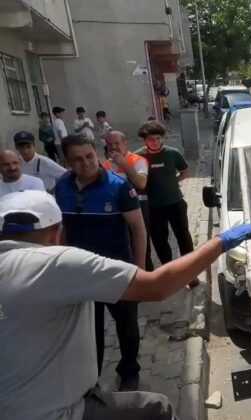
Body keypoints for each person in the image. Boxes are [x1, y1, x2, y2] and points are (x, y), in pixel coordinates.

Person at [0, 190, 251, 419]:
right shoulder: (54, 263)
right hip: (52, 412)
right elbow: (157, 286)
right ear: (57, 231)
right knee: (156, 409)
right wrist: (221, 242)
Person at [55, 134, 147, 391]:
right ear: (66, 162)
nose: (86, 163)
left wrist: (140, 271)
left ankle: (129, 371)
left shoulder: (119, 187)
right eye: (78, 159)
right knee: (87, 330)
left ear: (96, 153)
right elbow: (60, 228)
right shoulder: (61, 187)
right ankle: (90, 379)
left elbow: (138, 230)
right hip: (79, 274)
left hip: (118, 272)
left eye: (90, 156)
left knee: (126, 324)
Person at [135, 121, 199, 288]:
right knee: (159, 241)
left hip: (175, 203)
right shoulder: (139, 157)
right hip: (153, 207)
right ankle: (168, 274)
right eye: (151, 139)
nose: (155, 142)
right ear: (144, 141)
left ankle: (190, 274)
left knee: (183, 237)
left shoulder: (172, 153)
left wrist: (174, 182)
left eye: (158, 138)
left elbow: (185, 171)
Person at [103, 131, 154, 271]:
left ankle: (147, 280)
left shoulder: (137, 160)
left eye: (117, 143)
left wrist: (124, 164)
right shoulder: (106, 165)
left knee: (142, 251)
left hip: (138, 209)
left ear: (125, 143)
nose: (113, 147)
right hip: (115, 212)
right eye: (109, 144)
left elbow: (141, 183)